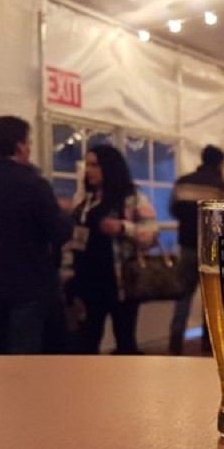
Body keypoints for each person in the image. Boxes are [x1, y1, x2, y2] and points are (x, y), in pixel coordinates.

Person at [0, 115, 72, 354]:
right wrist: (64, 213)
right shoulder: (32, 183)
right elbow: (58, 232)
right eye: (29, 142)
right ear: (20, 146)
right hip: (27, 286)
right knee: (24, 359)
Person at [69, 145, 157, 354]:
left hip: (121, 281)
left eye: (95, 165)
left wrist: (123, 227)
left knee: (125, 340)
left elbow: (151, 235)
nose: (89, 170)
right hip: (87, 280)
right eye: (87, 165)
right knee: (87, 340)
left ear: (109, 167)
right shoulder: (84, 199)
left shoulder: (132, 198)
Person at [168, 145, 224, 355]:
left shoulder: (183, 182)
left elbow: (173, 210)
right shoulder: (222, 187)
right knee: (211, 298)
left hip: (186, 246)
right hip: (212, 250)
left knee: (183, 297)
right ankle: (208, 345)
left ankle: (174, 344)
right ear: (220, 163)